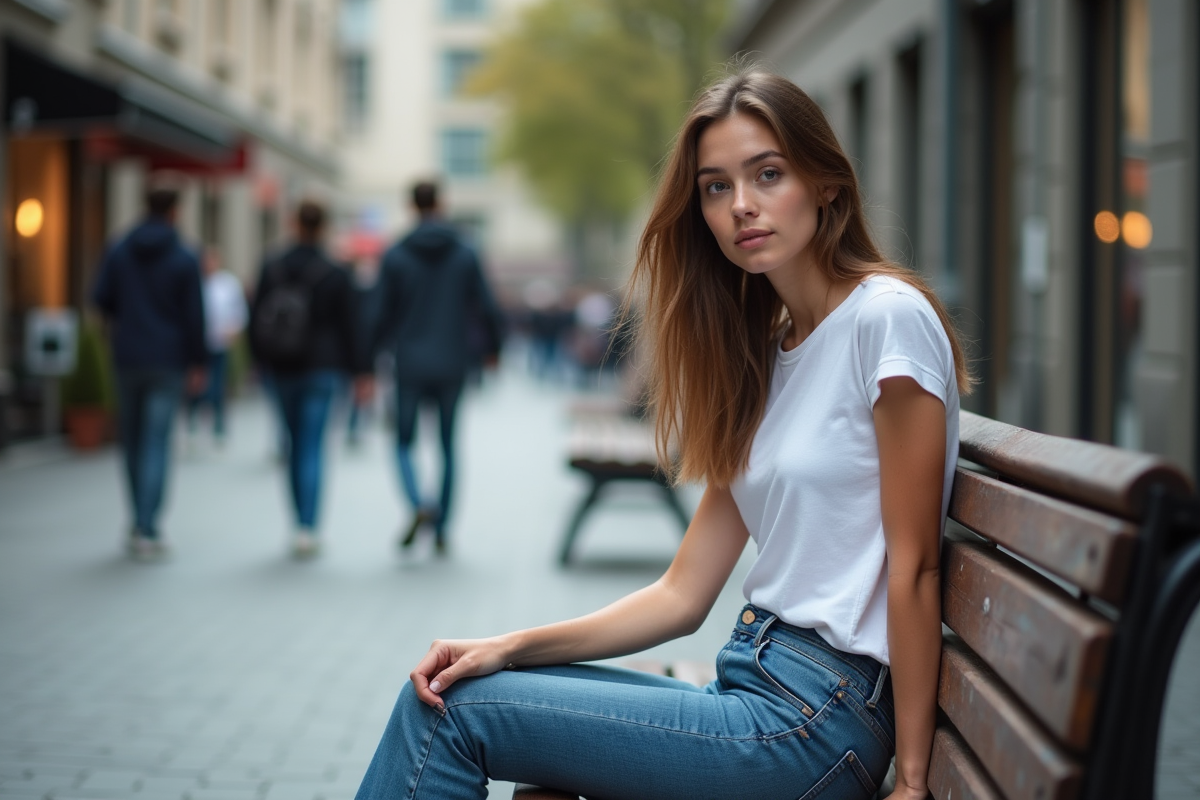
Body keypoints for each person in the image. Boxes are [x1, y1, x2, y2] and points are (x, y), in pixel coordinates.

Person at [355, 69, 973, 800]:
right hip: (760, 685)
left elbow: (917, 567)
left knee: (446, 715)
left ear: (826, 183)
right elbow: (682, 594)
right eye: (716, 187)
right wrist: (508, 648)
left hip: (815, 721)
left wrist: (910, 779)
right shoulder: (772, 359)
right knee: (482, 709)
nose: (742, 205)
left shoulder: (885, 320)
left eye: (767, 174)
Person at [373, 181, 503, 556]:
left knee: (402, 441)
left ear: (411, 205)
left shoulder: (396, 253)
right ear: (441, 204)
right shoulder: (464, 251)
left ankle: (418, 503)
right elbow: (486, 304)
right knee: (448, 446)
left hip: (409, 362)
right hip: (453, 361)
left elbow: (378, 313)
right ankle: (443, 526)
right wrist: (493, 349)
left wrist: (366, 361)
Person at [249, 200, 372, 559]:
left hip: (282, 367)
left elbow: (255, 317)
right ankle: (309, 527)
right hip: (323, 368)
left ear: (293, 223)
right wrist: (361, 371)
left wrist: (259, 362)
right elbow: (353, 325)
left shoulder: (272, 265)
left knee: (292, 443)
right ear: (325, 226)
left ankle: (296, 524)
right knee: (313, 446)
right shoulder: (336, 270)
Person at [93, 183, 207, 562]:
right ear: (176, 209)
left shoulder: (120, 249)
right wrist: (199, 362)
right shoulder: (184, 256)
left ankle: (137, 521)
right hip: (168, 360)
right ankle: (149, 525)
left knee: (133, 442)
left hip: (127, 356)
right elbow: (195, 317)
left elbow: (100, 299)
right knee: (157, 441)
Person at [186, 246, 247, 446]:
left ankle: (219, 428)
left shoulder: (227, 284)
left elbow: (240, 312)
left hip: (219, 343)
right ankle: (192, 425)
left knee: (217, 386)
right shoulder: (194, 283)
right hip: (196, 344)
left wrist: (233, 331)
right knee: (195, 386)